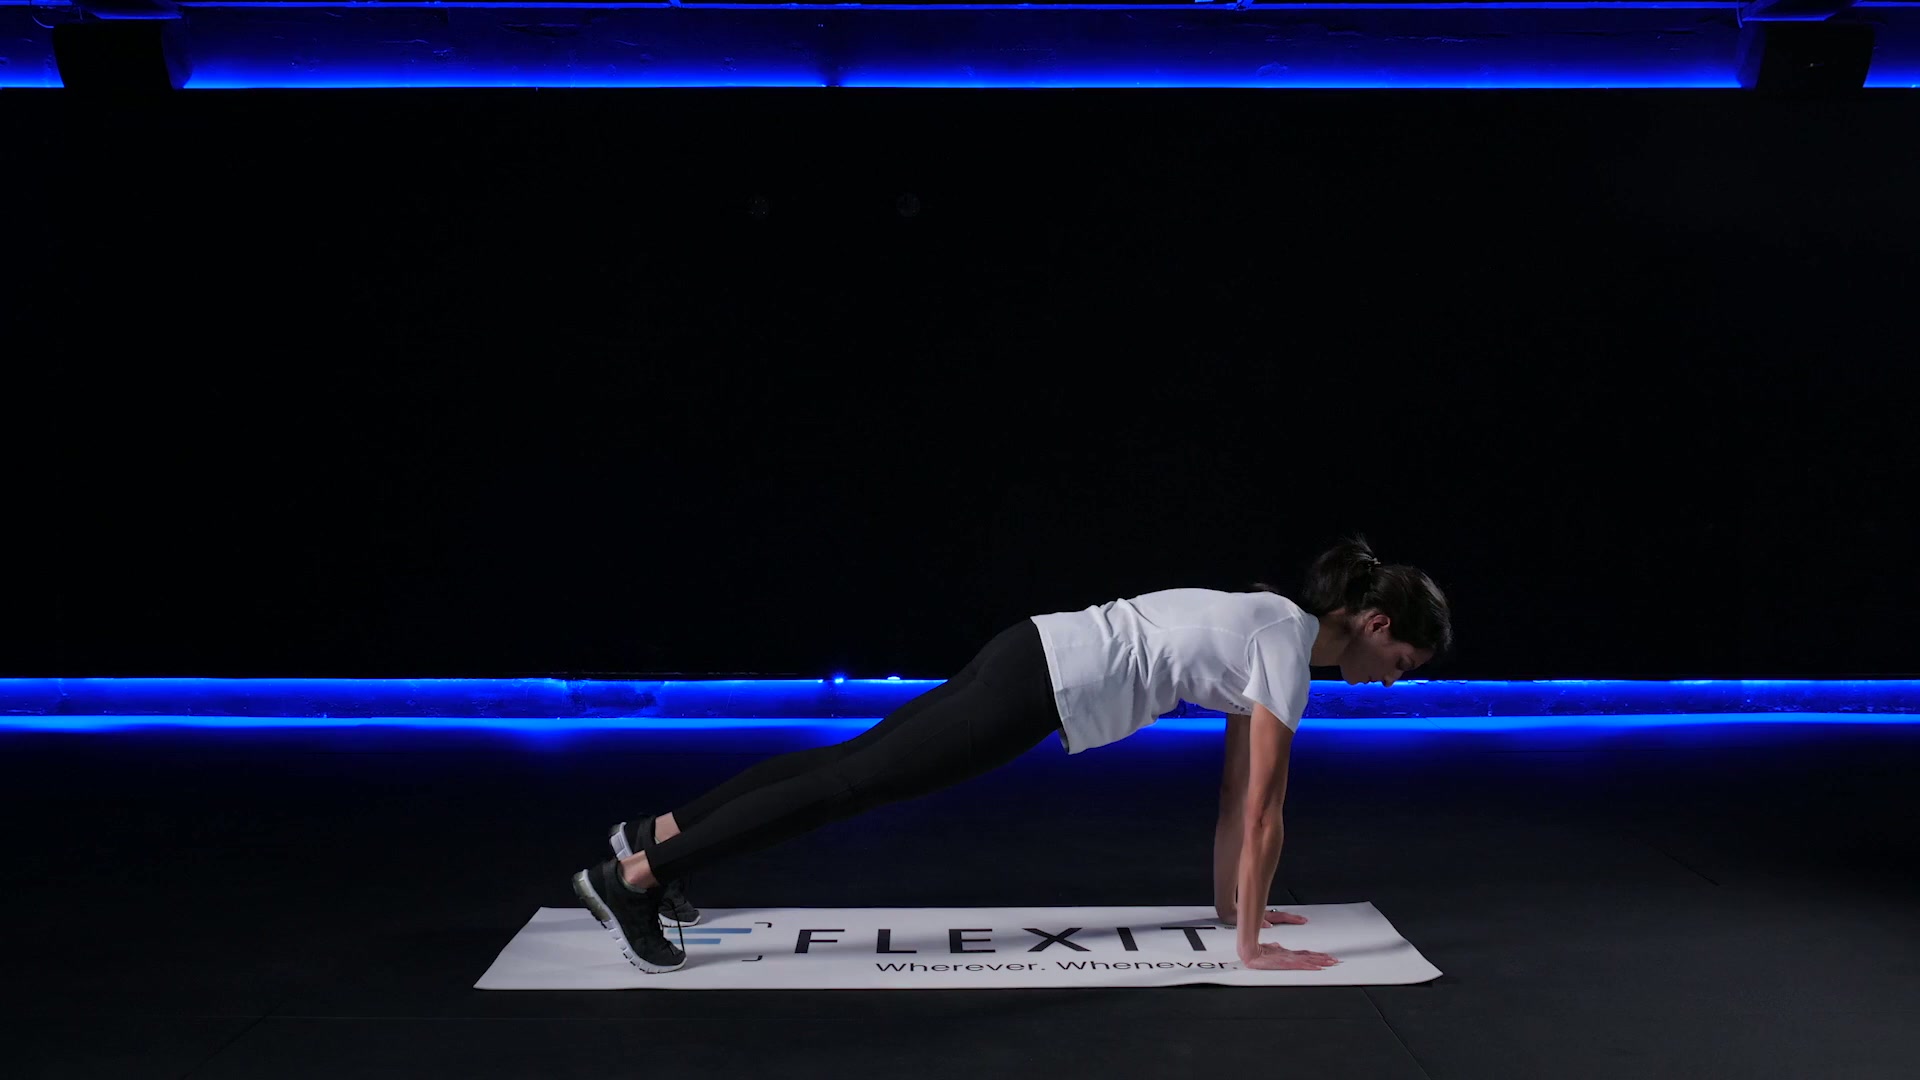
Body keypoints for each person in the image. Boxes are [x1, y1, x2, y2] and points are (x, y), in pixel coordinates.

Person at [572, 535, 1452, 973]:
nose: (1390, 682)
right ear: (1376, 624)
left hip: (1032, 651)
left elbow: (1235, 800)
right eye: (1402, 664)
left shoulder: (1274, 629)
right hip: (1040, 684)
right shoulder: (1286, 653)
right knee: (848, 785)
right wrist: (1253, 949)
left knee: (847, 764)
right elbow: (1262, 811)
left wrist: (1233, 915)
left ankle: (655, 835)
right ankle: (635, 878)